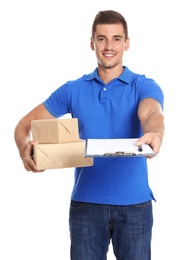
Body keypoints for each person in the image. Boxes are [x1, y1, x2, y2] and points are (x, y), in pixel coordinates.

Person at [14, 10, 165, 260]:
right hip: (86, 205)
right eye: (102, 38)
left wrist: (155, 132)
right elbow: (24, 124)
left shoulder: (143, 85)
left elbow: (152, 113)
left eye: (117, 39)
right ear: (92, 42)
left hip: (135, 205)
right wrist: (23, 149)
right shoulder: (73, 89)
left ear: (126, 43)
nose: (109, 46)